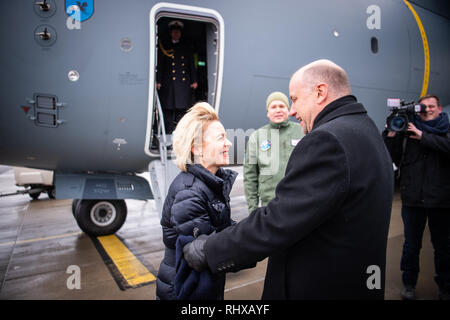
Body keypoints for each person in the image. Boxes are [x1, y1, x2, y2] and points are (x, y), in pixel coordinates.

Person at [183, 59, 394, 299]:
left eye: (294, 99)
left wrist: (209, 250)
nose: (292, 111)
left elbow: (278, 221)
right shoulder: (365, 129)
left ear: (320, 92)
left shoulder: (327, 140)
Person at [155, 102, 237, 300]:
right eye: (221, 138)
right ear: (197, 148)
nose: (229, 144)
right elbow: (204, 252)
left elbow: (223, 229)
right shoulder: (189, 192)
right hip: (186, 288)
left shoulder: (210, 183)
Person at [383, 94, 450, 300]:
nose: (427, 109)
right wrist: (392, 134)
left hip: (441, 200)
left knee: (443, 247)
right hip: (413, 199)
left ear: (440, 109)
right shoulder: (407, 131)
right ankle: (409, 284)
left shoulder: (446, 131)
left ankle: (445, 286)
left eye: (431, 106)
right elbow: (391, 156)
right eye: (423, 107)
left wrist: (423, 136)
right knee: (411, 245)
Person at [244, 91, 303, 213]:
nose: (278, 110)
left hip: (300, 203)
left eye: (282, 106)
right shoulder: (257, 137)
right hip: (269, 206)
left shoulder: (302, 132)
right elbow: (250, 176)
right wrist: (253, 209)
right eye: (273, 107)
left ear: (288, 110)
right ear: (267, 112)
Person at [157, 20, 198, 134]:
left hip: (183, 85)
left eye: (178, 32)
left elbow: (191, 65)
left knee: (182, 111)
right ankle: (169, 132)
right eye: (174, 32)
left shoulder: (186, 46)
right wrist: (158, 81)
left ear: (180, 33)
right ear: (171, 33)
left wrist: (194, 80)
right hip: (168, 84)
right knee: (169, 111)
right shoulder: (164, 45)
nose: (176, 34)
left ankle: (180, 134)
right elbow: (160, 65)